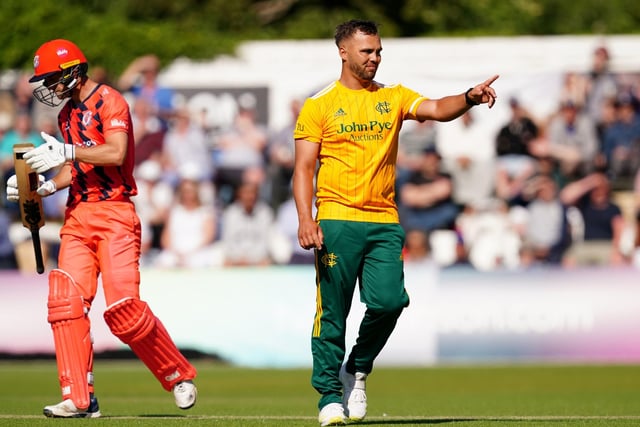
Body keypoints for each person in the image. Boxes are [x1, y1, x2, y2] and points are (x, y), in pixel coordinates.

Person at [292, 19, 498, 426]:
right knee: (332, 311)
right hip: (336, 219)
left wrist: (469, 98)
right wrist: (305, 218)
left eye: (379, 50)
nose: (375, 58)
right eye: (367, 51)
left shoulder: (394, 96)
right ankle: (329, 397)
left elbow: (438, 109)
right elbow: (302, 169)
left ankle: (358, 367)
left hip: (384, 221)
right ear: (344, 52)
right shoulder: (318, 104)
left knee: (390, 302)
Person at [5, 39, 197, 418]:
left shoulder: (111, 101)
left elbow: (116, 152)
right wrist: (43, 186)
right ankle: (79, 397)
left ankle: (177, 373)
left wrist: (69, 151)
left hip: (115, 215)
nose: (48, 87)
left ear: (74, 72)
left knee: (124, 310)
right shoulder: (66, 116)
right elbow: (75, 167)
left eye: (52, 78)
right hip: (78, 216)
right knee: (66, 302)